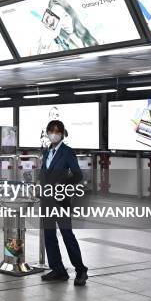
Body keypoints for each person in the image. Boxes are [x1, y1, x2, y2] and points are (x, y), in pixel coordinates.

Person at [39, 120, 88, 286]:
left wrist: (63, 186)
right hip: (46, 200)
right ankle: (58, 269)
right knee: (49, 235)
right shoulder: (47, 152)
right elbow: (43, 174)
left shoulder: (67, 152)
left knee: (67, 235)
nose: (54, 134)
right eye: (51, 131)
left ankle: (81, 270)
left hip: (60, 201)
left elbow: (77, 175)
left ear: (62, 133)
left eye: (57, 131)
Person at [34, 0, 99, 55]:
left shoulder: (85, 34)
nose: (63, 22)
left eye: (65, 15)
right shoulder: (54, 42)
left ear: (71, 14)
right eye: (58, 18)